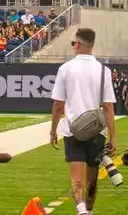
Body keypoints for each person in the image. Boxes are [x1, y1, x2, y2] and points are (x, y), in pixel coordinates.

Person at [50, 27, 117, 215]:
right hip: (97, 131)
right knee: (92, 178)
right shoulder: (104, 70)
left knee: (76, 178)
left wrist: (53, 130)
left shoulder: (65, 69)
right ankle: (89, 209)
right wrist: (113, 137)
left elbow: (58, 105)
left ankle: (81, 210)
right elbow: (109, 107)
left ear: (78, 44)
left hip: (73, 129)